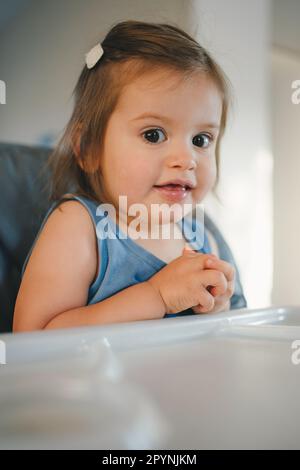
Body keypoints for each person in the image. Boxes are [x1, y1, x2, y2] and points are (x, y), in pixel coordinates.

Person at [13, 20, 246, 332]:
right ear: (89, 149)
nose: (186, 159)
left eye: (201, 140)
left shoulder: (204, 240)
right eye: (153, 134)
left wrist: (217, 305)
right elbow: (33, 337)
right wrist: (157, 296)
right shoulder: (79, 227)